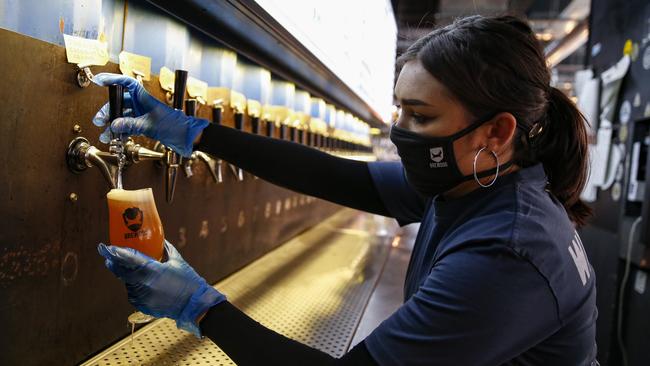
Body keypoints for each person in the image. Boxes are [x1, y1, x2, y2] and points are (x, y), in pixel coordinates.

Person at [94, 15, 598, 366]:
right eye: (399, 109)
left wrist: (199, 308)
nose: (401, 131)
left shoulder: (509, 252)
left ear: (497, 132)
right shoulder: (470, 183)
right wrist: (193, 131)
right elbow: (341, 177)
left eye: (420, 117)